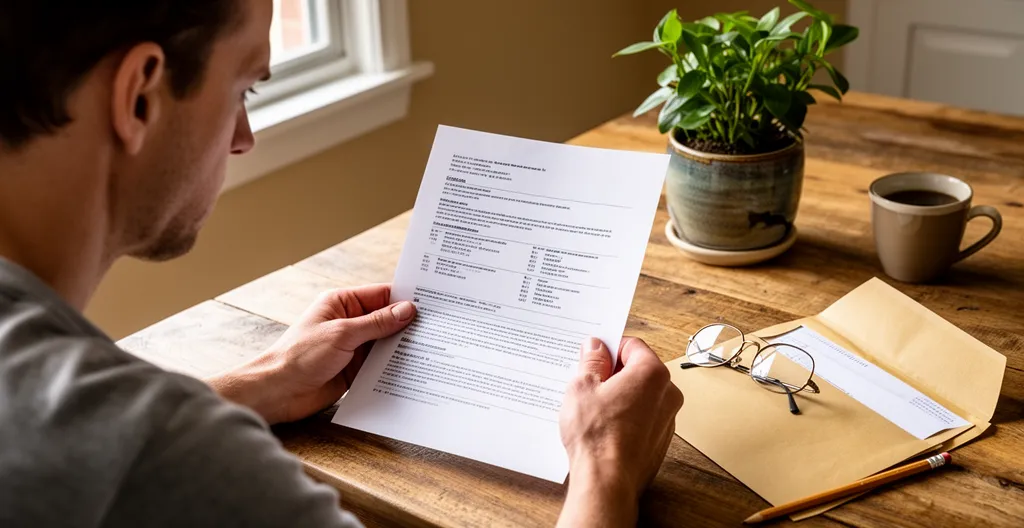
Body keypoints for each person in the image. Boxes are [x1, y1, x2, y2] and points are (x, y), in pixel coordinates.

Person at [0, 1, 684, 527]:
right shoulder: (171, 457)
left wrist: (262, 380)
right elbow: (128, 452)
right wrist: (604, 468)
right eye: (244, 89)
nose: (243, 138)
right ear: (140, 93)